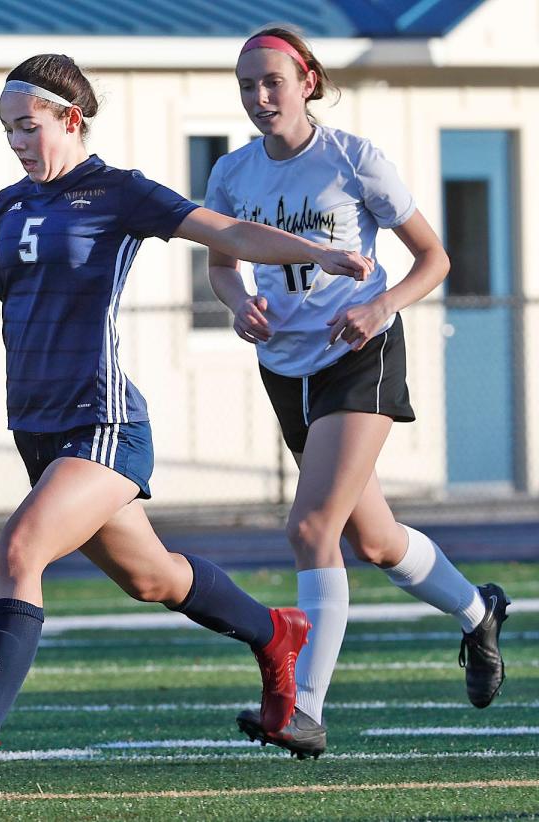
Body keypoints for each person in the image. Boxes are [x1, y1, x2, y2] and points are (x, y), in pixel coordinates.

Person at [0, 53, 374, 784]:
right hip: (39, 430)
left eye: (27, 127)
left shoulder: (119, 193)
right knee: (155, 579)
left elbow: (230, 235)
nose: (16, 142)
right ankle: (276, 632)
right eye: (7, 130)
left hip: (103, 422)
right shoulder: (7, 207)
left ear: (70, 119)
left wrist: (319, 253)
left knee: (22, 548)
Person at [204, 27, 510, 759]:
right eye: (247, 84)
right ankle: (478, 612)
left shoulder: (354, 160)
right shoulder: (232, 174)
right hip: (286, 369)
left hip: (358, 355)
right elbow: (221, 266)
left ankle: (303, 708)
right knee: (372, 539)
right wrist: (233, 300)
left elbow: (436, 258)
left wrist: (380, 306)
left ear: (308, 81)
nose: (259, 97)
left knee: (310, 527)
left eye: (273, 81)